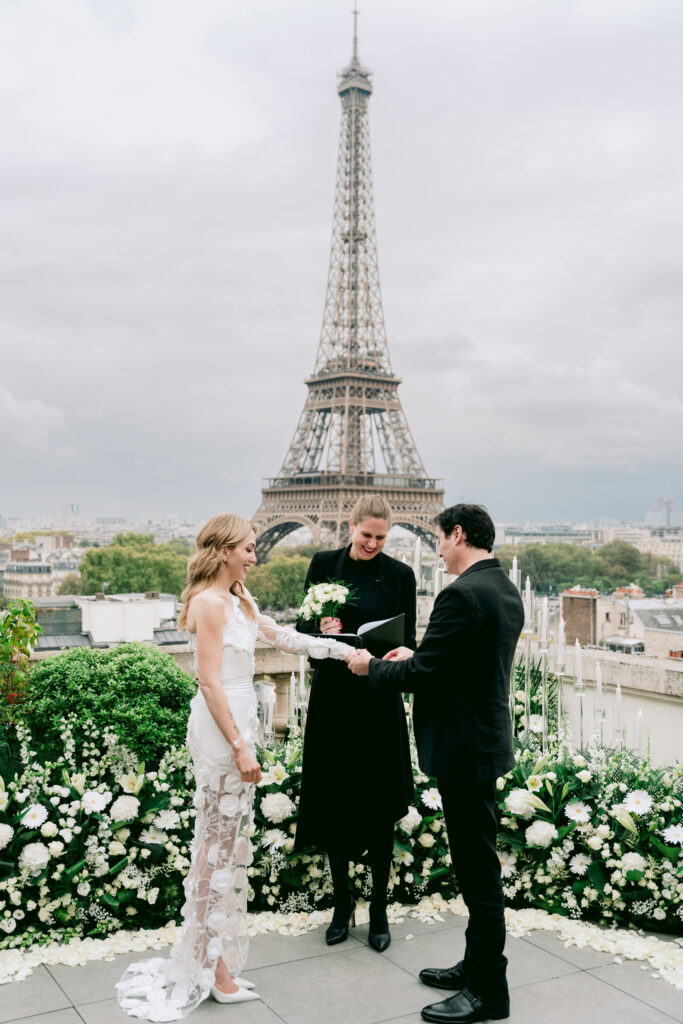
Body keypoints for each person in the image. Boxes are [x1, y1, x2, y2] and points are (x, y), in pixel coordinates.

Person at [116, 513, 353, 1022]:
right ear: (224, 550)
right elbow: (208, 682)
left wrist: (343, 649)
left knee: (222, 850)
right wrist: (242, 746)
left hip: (238, 725)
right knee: (216, 852)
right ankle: (215, 974)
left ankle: (210, 961)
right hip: (223, 733)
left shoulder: (241, 600)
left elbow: (285, 638)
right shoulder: (206, 603)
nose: (254, 554)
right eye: (247, 547)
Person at [348, 504, 524, 1024]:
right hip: (483, 741)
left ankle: (489, 991)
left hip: (463, 749)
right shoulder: (503, 588)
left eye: (440, 540)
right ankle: (475, 965)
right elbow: (456, 665)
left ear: (459, 534)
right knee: (478, 863)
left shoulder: (461, 593)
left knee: (477, 871)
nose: (438, 549)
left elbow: (429, 676)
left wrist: (372, 666)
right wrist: (417, 657)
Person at [295, 494, 416, 952]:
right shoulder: (323, 563)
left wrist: (389, 653)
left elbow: (407, 644)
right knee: (337, 802)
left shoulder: (401, 575)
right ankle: (342, 901)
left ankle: (379, 907)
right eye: (366, 535)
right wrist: (320, 634)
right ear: (351, 526)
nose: (372, 543)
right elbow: (301, 633)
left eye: (381, 538)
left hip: (377, 700)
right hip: (335, 701)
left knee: (379, 805)